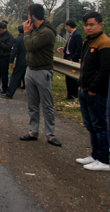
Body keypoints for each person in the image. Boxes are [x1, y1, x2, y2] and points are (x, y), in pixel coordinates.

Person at [19, 4, 61, 146]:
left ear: (33, 16)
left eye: (28, 15)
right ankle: (33, 131)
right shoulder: (36, 30)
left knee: (47, 105)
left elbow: (30, 46)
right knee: (32, 104)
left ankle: (50, 134)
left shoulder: (46, 32)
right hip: (31, 69)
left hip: (43, 71)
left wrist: (26, 32)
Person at [76, 11, 110, 171]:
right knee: (90, 124)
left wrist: (92, 89)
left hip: (96, 92)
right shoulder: (89, 41)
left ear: (100, 25)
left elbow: (104, 70)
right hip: (85, 89)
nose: (88, 27)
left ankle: (104, 159)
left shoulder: (104, 42)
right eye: (86, 25)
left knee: (99, 125)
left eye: (91, 24)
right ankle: (95, 155)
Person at [56, 20, 83, 100]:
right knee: (68, 78)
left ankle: (74, 95)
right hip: (68, 57)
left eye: (66, 26)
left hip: (72, 59)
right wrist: (64, 48)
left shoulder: (77, 35)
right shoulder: (72, 35)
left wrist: (73, 57)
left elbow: (79, 48)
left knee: (73, 78)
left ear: (68, 26)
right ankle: (69, 94)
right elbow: (71, 46)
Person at [3, 24, 27, 99]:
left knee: (15, 77)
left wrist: (11, 61)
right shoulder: (31, 38)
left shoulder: (17, 40)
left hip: (21, 61)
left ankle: (9, 93)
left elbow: (14, 51)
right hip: (30, 61)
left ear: (19, 31)